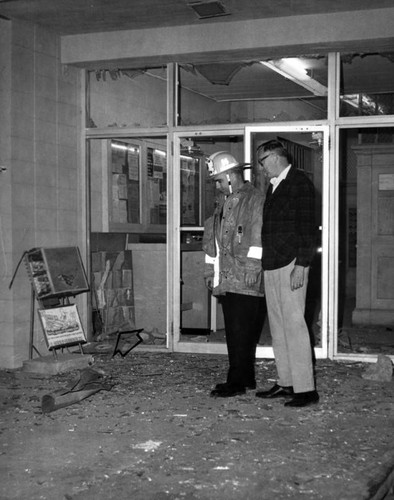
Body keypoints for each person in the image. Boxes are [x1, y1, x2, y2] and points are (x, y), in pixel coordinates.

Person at [256, 139, 319, 408]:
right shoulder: (274, 185)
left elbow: (307, 228)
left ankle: (306, 389)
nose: (260, 168)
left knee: (294, 326)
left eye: (262, 162)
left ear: (275, 157)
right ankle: (286, 382)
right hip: (272, 263)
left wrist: (301, 265)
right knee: (279, 329)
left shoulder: (299, 183)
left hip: (291, 263)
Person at [202, 151, 266, 398]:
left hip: (244, 277)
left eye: (218, 180)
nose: (217, 185)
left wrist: (252, 268)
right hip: (228, 277)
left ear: (230, 176)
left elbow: (258, 237)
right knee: (238, 331)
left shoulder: (254, 200)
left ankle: (236, 382)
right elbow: (213, 238)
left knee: (241, 332)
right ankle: (245, 378)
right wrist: (210, 269)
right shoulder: (225, 201)